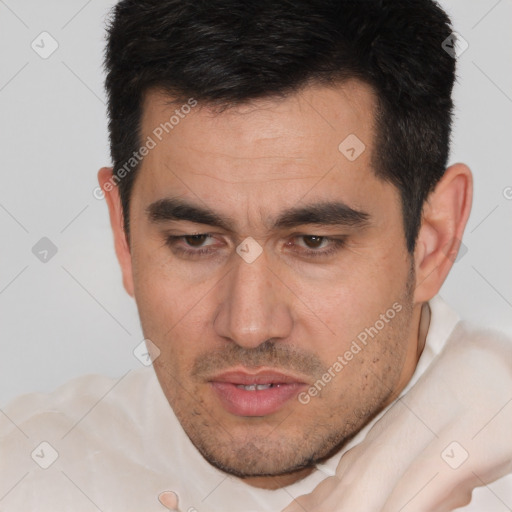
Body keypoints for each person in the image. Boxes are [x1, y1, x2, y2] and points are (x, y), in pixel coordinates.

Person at [1, 0, 511, 510]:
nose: (248, 326)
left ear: (433, 239)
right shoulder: (24, 474)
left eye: (314, 242)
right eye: (195, 240)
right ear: (123, 233)